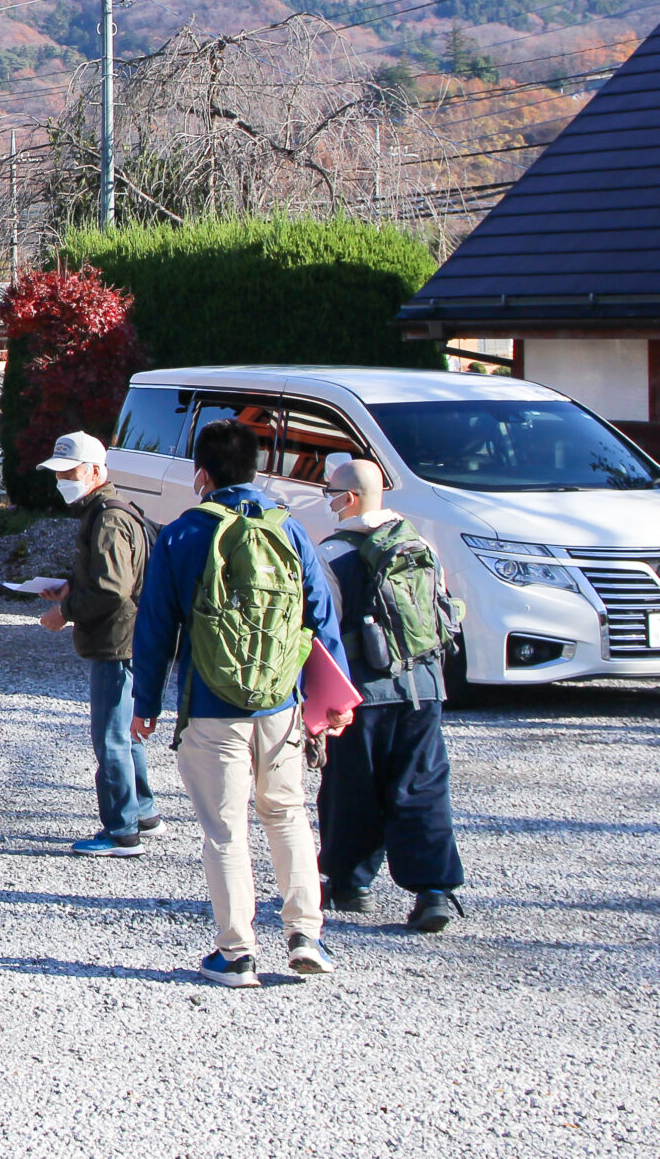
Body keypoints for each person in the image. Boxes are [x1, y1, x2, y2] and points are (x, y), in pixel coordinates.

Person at [130, 418, 349, 988]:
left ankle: (236, 952)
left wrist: (146, 701)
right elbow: (320, 616)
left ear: (201, 474)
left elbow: (156, 627)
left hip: (211, 706)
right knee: (288, 814)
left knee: (226, 829)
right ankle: (306, 935)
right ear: (255, 470)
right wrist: (333, 696)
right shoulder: (291, 530)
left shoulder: (182, 533)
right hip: (280, 705)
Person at [315, 454, 467, 933]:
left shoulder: (332, 553)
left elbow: (326, 629)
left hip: (363, 690)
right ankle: (433, 892)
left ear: (351, 498)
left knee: (351, 789)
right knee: (420, 785)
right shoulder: (418, 544)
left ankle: (349, 883)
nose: (330, 502)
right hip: (424, 687)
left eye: (332, 493)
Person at [31, 431, 160, 857]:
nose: (62, 480)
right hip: (127, 637)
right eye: (59, 473)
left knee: (110, 738)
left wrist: (63, 613)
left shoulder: (107, 516)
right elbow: (110, 580)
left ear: (96, 472)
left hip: (116, 641)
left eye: (70, 472)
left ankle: (122, 831)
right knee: (124, 732)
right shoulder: (112, 510)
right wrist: (69, 588)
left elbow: (111, 588)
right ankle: (142, 811)